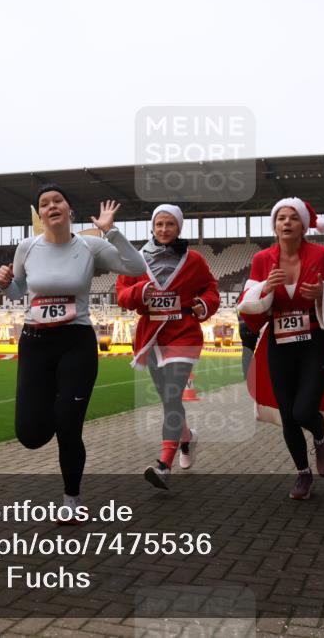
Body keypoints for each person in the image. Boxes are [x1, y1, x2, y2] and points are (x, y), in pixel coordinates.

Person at [0, 184, 145, 521]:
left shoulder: (90, 246)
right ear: (40, 214)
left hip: (76, 342)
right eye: (44, 203)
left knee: (68, 426)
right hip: (35, 343)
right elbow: (20, 290)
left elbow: (136, 268)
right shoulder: (27, 247)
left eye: (57, 200)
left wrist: (111, 231)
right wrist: (4, 281)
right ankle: (53, 408)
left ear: (69, 209)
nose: (51, 206)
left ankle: (71, 500)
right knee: (31, 435)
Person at [238, 198, 324, 500]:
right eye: (280, 218)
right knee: (288, 416)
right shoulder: (263, 259)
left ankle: (319, 435)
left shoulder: (323, 255)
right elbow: (250, 312)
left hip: (315, 341)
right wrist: (264, 290)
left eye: (292, 218)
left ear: (304, 225)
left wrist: (322, 292)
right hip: (278, 343)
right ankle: (303, 474)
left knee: (304, 410)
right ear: (274, 226)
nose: (286, 222)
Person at [115, 204, 219, 490]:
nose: (164, 229)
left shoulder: (193, 260)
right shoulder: (135, 259)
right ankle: (187, 439)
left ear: (179, 228)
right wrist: (139, 292)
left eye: (169, 224)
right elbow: (122, 294)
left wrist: (204, 305)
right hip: (152, 339)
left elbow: (211, 288)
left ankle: (163, 465)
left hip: (184, 335)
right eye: (159, 224)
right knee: (169, 401)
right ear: (152, 226)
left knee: (173, 396)